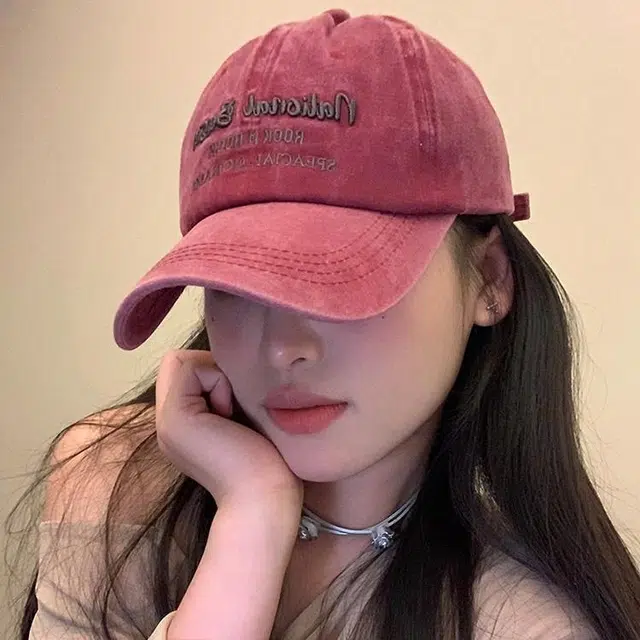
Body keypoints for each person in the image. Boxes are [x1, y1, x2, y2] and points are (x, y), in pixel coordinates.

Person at [5, 8, 640, 640]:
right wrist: (253, 515)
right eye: (237, 284)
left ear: (490, 279)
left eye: (346, 281)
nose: (284, 348)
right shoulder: (116, 488)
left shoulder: (524, 622)